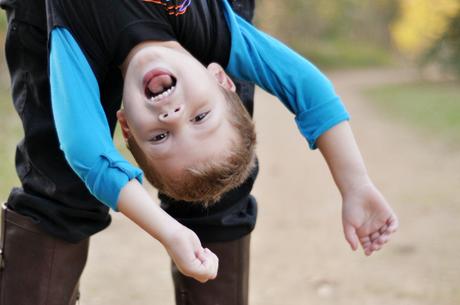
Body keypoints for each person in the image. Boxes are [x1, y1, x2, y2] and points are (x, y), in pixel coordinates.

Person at [0, 0, 398, 305]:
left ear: (125, 126)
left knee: (60, 186)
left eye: (158, 137)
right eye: (201, 116)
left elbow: (85, 153)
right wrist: (356, 183)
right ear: (223, 79)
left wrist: (171, 233)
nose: (173, 115)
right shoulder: (215, 31)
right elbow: (306, 87)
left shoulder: (75, 48)